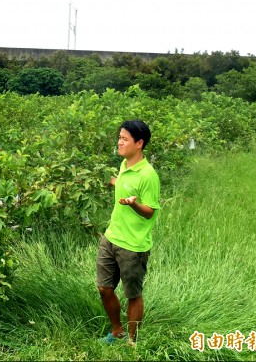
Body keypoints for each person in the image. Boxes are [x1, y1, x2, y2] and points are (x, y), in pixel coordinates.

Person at [97, 119, 160, 346]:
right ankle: (117, 331)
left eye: (125, 139)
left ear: (139, 143)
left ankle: (132, 342)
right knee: (104, 288)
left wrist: (134, 204)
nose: (119, 142)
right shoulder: (125, 166)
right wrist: (111, 182)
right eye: (119, 137)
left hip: (133, 245)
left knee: (133, 294)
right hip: (111, 236)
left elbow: (150, 212)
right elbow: (123, 184)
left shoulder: (148, 175)